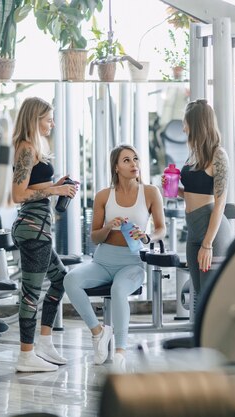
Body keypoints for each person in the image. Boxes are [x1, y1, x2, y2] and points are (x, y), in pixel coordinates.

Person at [64, 145, 165, 373]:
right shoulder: (103, 196)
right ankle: (98, 332)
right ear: (116, 167)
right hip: (102, 261)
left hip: (132, 263)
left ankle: (120, 351)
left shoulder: (150, 192)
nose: (134, 164)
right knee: (70, 280)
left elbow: (161, 229)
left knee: (119, 290)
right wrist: (109, 226)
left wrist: (147, 236)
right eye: (127, 160)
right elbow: (95, 237)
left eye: (136, 159)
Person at [10, 97, 79, 372]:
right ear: (34, 119)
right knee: (31, 293)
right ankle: (25, 355)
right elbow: (18, 195)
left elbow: (34, 185)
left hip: (39, 229)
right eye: (48, 119)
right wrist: (55, 191)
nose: (52, 123)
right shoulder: (26, 148)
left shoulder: (34, 148)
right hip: (32, 229)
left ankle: (45, 342)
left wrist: (56, 184)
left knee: (61, 279)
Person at [164, 99, 233, 308]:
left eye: (186, 123)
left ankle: (215, 340)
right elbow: (195, 193)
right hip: (193, 228)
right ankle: (199, 340)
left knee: (209, 298)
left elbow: (220, 203)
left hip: (211, 230)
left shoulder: (218, 155)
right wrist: (175, 190)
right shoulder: (194, 155)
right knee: (197, 295)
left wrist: (207, 243)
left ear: (197, 124)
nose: (183, 128)